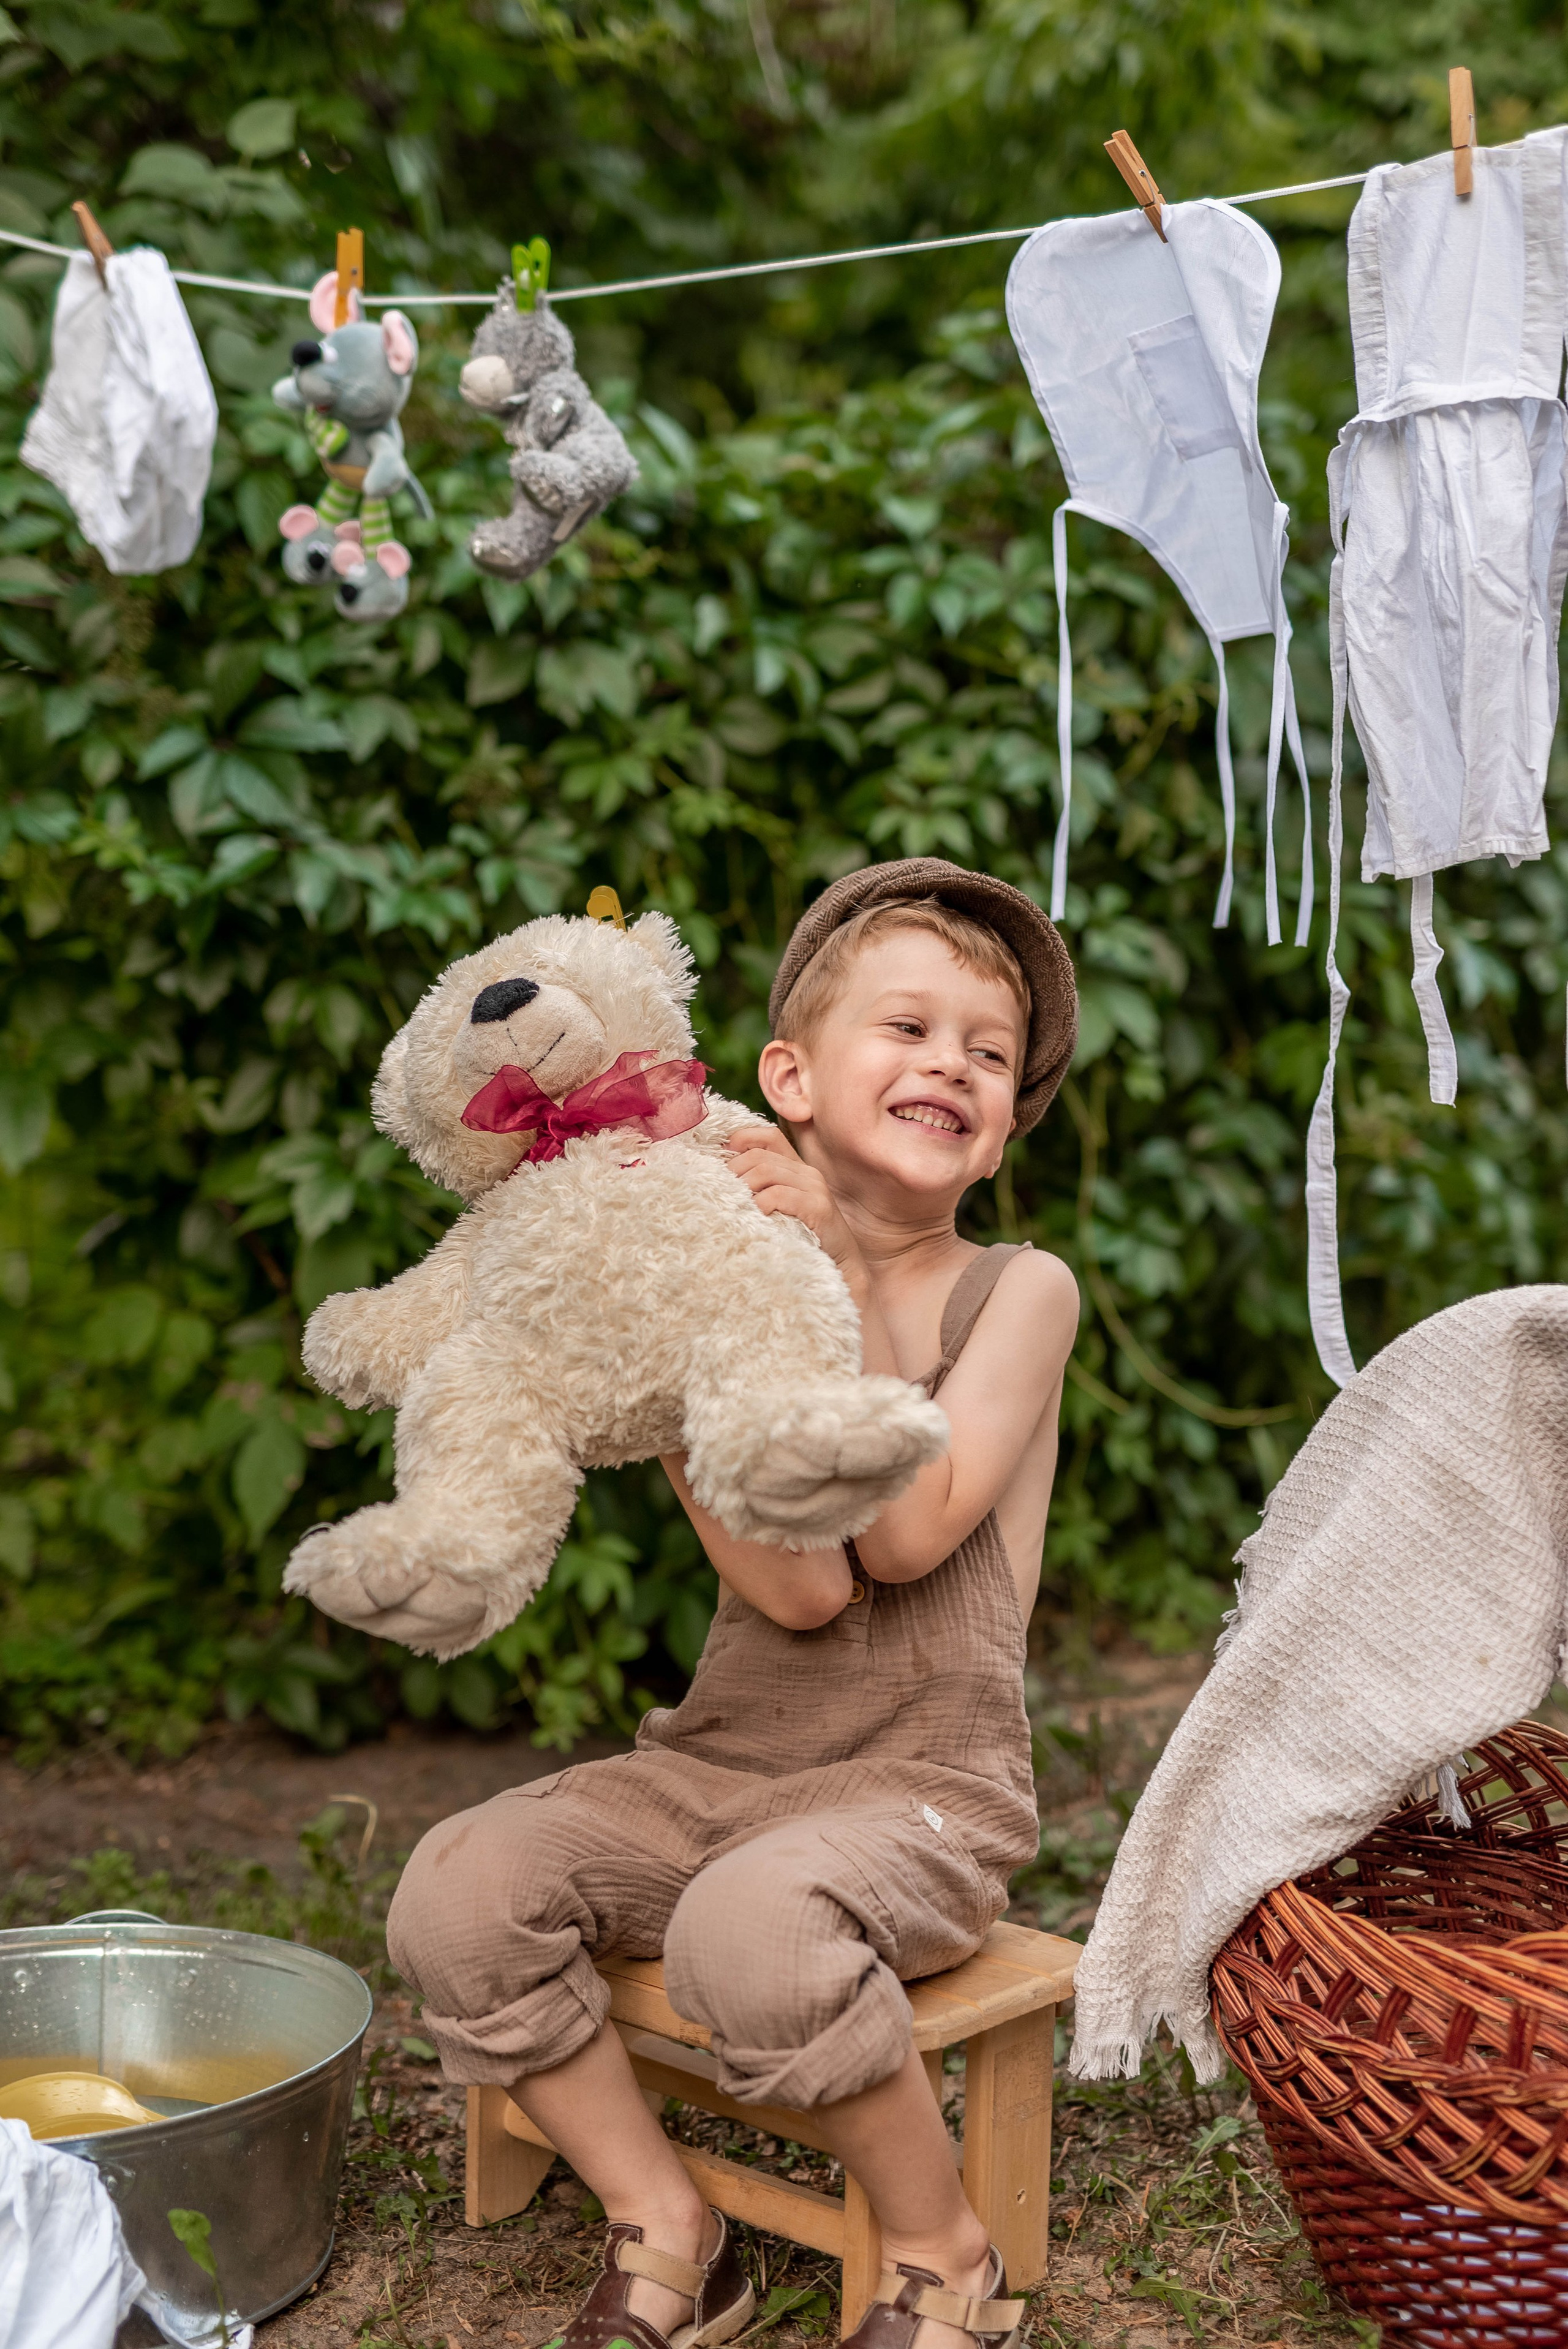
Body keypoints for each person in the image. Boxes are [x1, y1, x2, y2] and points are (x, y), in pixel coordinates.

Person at [388, 857, 1081, 2349]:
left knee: (747, 1932)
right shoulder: (715, 1275)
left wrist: (828, 1271)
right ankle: (671, 2225)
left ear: (1006, 1122)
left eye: (988, 1051)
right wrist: (677, 1337)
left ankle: (942, 2251)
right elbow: (799, 1589)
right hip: (725, 1768)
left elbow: (902, 1541)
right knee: (457, 1887)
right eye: (908, 1028)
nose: (950, 1064)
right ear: (789, 1082)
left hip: (922, 1791)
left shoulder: (1018, 1292)